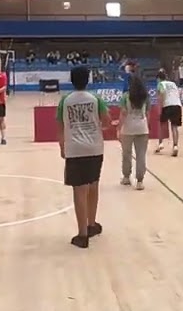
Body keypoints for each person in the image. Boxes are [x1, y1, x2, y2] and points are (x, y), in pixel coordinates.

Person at [56, 65, 107, 248]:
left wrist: (62, 146)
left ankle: (82, 234)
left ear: (71, 80)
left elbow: (60, 126)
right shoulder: (96, 99)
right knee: (93, 185)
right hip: (94, 148)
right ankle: (91, 224)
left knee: (79, 190)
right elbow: (106, 121)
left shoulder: (65, 101)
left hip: (75, 149)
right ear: (88, 79)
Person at [117, 73, 150, 190]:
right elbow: (147, 113)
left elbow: (123, 113)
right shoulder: (146, 97)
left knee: (126, 154)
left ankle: (126, 177)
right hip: (142, 127)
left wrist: (119, 128)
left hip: (128, 128)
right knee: (141, 155)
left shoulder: (126, 96)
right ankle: (140, 181)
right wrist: (147, 126)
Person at [154, 70, 183, 157]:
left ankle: (160, 144)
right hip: (177, 105)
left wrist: (160, 106)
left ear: (159, 78)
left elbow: (162, 93)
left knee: (162, 125)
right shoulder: (173, 84)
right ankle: (175, 146)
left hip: (167, 105)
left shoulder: (161, 84)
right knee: (174, 127)